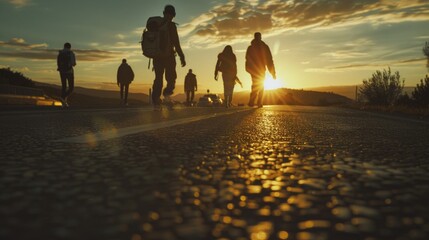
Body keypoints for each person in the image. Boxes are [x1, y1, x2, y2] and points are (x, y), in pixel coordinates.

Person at [152, 5, 186, 109]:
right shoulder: (171, 26)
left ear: (164, 13)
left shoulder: (155, 24)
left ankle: (156, 100)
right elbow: (176, 42)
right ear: (173, 15)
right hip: (169, 56)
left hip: (157, 56)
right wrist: (182, 56)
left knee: (158, 78)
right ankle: (166, 95)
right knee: (171, 78)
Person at [245, 32, 276, 108]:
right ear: (260, 37)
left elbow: (269, 60)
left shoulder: (252, 47)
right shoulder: (263, 47)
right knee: (259, 85)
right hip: (258, 69)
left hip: (256, 69)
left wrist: (273, 73)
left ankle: (254, 102)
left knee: (256, 84)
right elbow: (269, 60)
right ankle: (257, 102)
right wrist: (273, 73)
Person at [57, 42, 76, 107]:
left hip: (62, 72)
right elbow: (73, 63)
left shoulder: (60, 53)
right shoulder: (71, 53)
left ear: (64, 46)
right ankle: (63, 97)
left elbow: (58, 63)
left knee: (64, 87)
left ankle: (64, 103)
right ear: (70, 47)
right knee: (71, 88)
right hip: (69, 72)